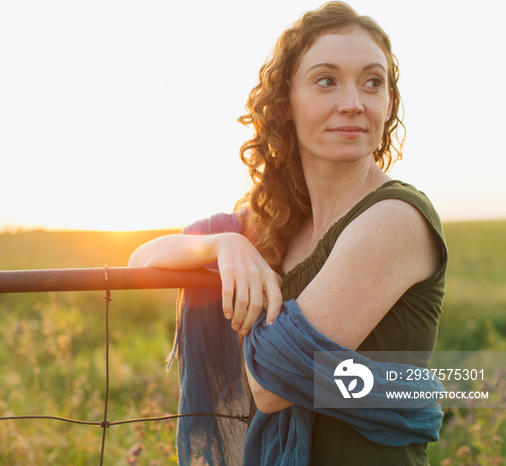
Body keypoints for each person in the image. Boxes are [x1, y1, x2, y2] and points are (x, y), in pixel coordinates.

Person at [129, 2, 448, 465]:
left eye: (372, 82)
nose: (354, 103)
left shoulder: (394, 218)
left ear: (388, 102)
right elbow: (142, 261)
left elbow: (270, 384)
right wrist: (225, 245)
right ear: (286, 104)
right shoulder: (277, 222)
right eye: (326, 80)